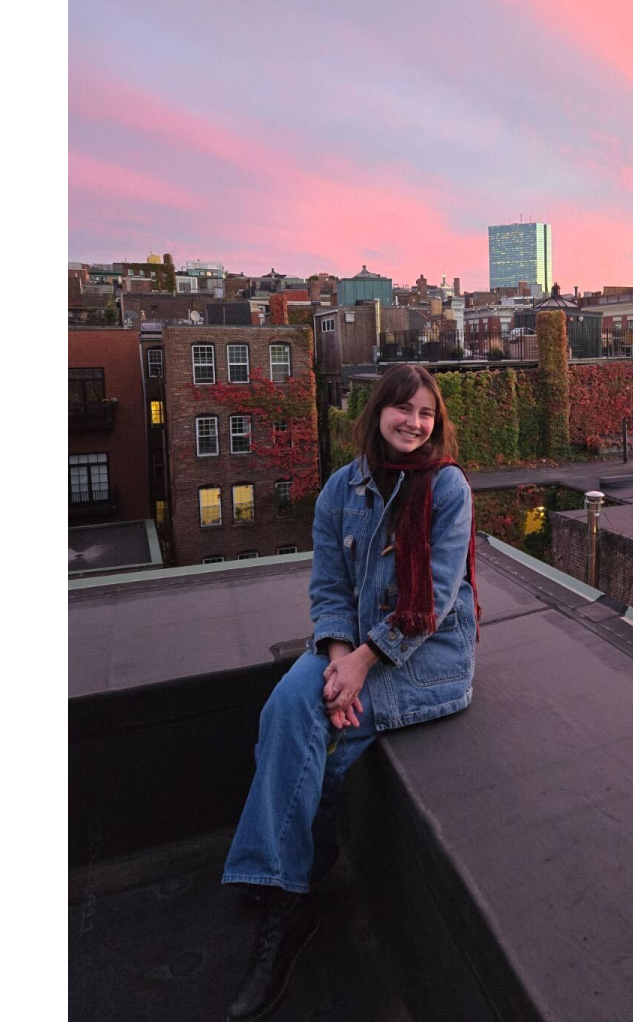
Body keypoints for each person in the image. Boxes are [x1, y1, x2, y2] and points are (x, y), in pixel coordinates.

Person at [221, 362, 480, 1021]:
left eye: (426, 414)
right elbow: (328, 589)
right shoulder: (342, 489)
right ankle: (293, 881)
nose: (414, 423)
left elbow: (435, 599)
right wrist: (339, 657)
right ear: (378, 414)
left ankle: (283, 898)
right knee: (287, 706)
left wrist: (364, 662)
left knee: (321, 736)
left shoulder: (446, 489)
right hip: (356, 644)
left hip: (424, 654)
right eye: (403, 409)